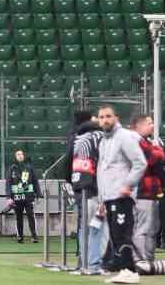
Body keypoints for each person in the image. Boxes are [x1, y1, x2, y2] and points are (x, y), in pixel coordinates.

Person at [95, 104, 148, 285]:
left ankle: (130, 271)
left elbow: (140, 163)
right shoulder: (103, 141)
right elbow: (102, 171)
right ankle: (124, 270)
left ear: (116, 118)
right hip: (109, 196)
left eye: (108, 116)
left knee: (122, 234)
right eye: (101, 117)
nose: (105, 120)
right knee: (116, 236)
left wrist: (128, 184)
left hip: (122, 195)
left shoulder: (124, 136)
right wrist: (101, 198)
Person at [70, 109, 107, 276]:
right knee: (97, 228)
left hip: (80, 187)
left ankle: (84, 262)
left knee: (83, 228)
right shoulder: (99, 137)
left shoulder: (76, 138)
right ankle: (94, 264)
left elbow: (67, 165)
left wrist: (75, 183)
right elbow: (104, 164)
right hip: (94, 188)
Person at [132, 113, 165, 265]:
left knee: (152, 228)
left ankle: (148, 258)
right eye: (149, 123)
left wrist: (157, 150)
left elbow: (158, 155)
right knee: (142, 229)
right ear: (139, 126)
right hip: (141, 191)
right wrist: (158, 150)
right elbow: (153, 158)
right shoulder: (135, 141)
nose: (152, 126)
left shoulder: (147, 141)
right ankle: (140, 260)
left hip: (151, 191)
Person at [6, 149, 40, 243]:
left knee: (31, 216)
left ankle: (34, 236)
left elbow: (35, 181)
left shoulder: (29, 167)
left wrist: (38, 193)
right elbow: (8, 183)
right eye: (18, 154)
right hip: (16, 197)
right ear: (15, 156)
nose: (20, 155)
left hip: (28, 196)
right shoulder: (12, 168)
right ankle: (20, 237)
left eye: (21, 154)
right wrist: (8, 197)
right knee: (18, 217)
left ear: (24, 156)